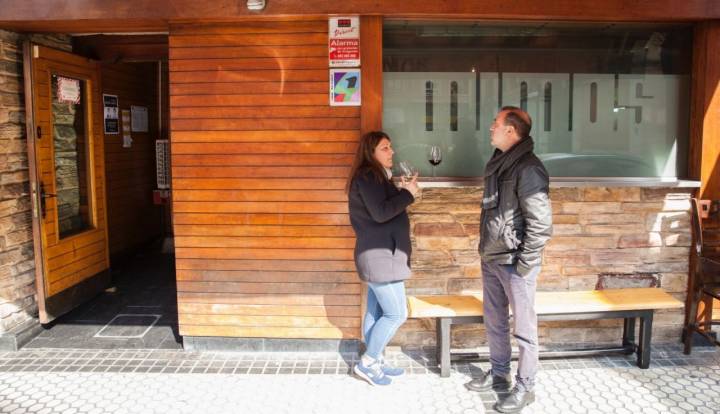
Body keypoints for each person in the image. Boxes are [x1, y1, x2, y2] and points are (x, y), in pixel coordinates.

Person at [465, 107, 553, 413]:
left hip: (515, 261)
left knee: (524, 329)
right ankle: (500, 372)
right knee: (495, 321)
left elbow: (541, 223)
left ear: (511, 131)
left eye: (495, 124)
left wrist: (525, 263)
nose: (491, 128)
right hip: (492, 256)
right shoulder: (500, 162)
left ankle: (526, 387)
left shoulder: (528, 168)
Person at [346, 131, 420, 386]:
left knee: (376, 313)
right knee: (396, 314)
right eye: (386, 148)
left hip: (381, 256)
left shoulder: (376, 176)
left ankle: (374, 360)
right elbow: (380, 213)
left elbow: (382, 207)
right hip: (380, 257)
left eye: (391, 147)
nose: (392, 152)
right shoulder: (368, 176)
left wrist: (400, 190)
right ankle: (367, 363)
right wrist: (408, 194)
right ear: (371, 152)